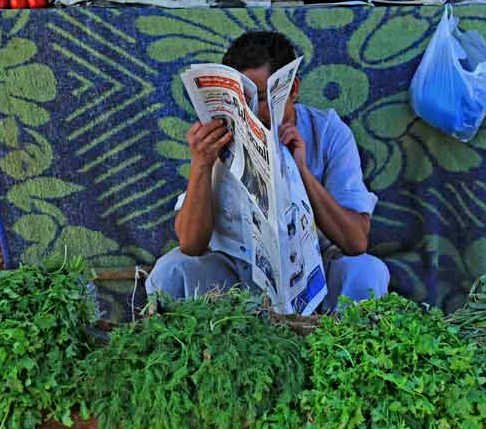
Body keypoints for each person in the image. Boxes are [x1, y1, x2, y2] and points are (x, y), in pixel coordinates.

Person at [146, 31, 389, 310]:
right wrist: (201, 165)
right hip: (235, 276)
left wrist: (302, 171)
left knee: (367, 271)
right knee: (172, 269)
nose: (252, 114)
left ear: (292, 89)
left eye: (261, 99)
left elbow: (356, 242)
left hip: (313, 272)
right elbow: (191, 245)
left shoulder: (329, 132)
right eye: (241, 103)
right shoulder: (219, 138)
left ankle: (341, 349)